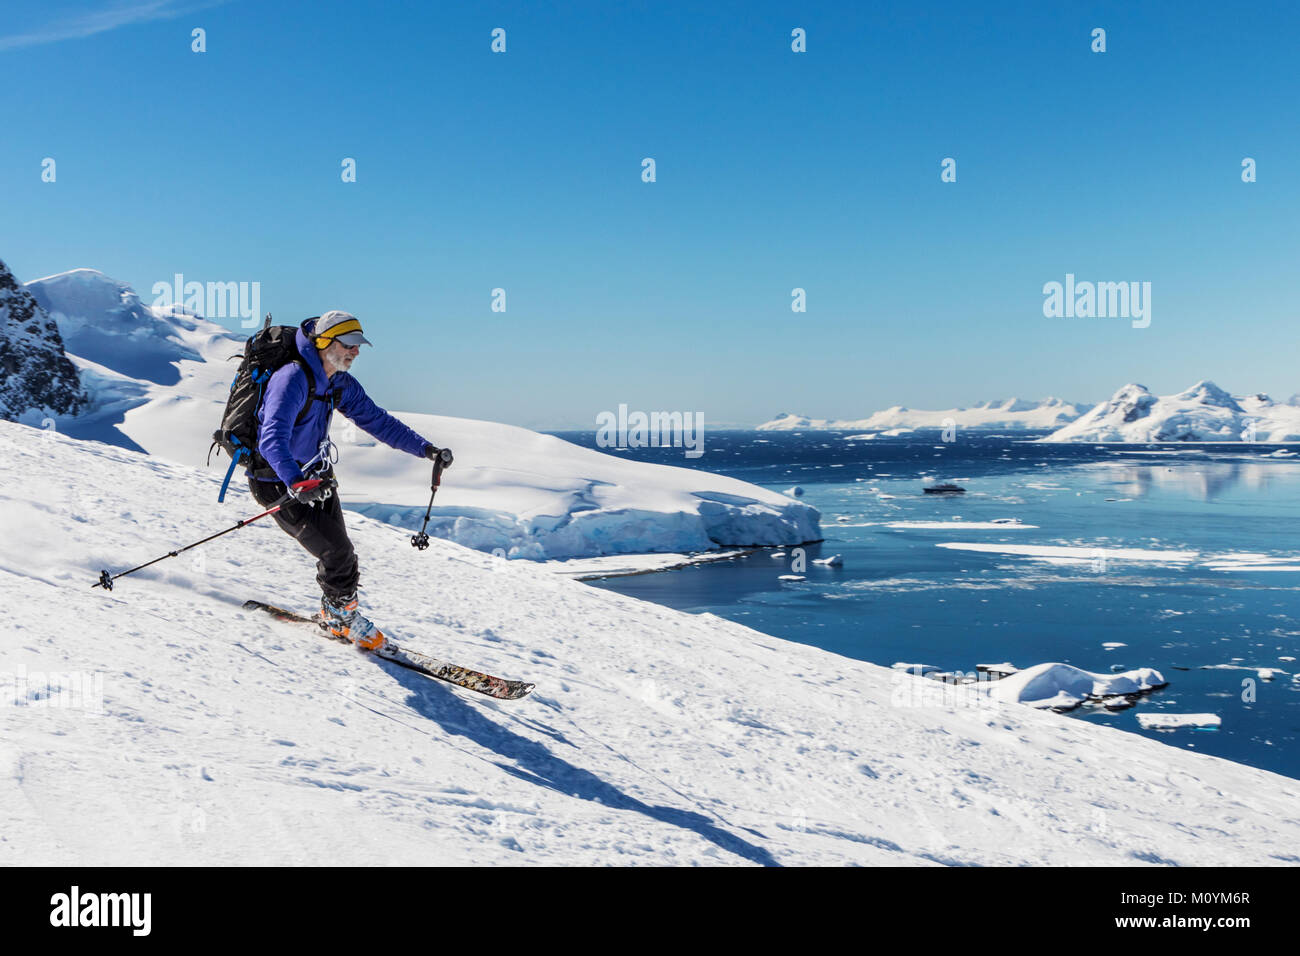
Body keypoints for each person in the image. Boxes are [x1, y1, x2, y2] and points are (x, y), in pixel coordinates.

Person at [247, 311, 451, 649]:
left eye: (359, 346)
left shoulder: (336, 381)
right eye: (350, 344)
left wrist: (426, 449)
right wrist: (295, 482)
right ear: (325, 342)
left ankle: (335, 612)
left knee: (342, 554)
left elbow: (376, 420)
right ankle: (340, 617)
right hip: (278, 481)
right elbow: (271, 441)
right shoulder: (292, 378)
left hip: (316, 474)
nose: (356, 352)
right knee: (336, 553)